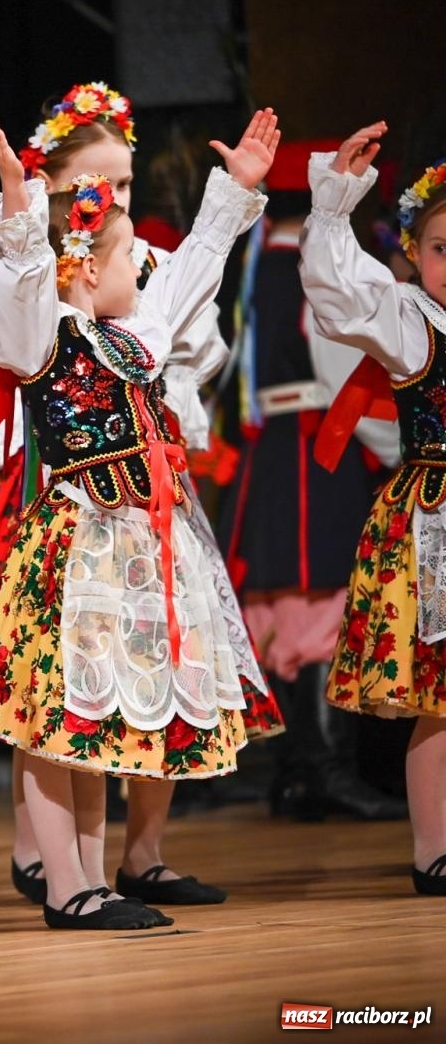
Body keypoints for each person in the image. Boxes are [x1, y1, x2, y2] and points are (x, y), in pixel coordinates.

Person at [0, 82, 279, 911]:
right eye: (132, 254)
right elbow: (21, 294)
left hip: (142, 537)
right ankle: (67, 883)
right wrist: (25, 218)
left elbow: (195, 275)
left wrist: (235, 191)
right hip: (73, 543)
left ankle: (98, 878)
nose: (149, 267)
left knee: (103, 717)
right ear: (90, 265)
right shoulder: (45, 332)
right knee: (59, 720)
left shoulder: (139, 329)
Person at [215, 138, 406, 822]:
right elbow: (344, 370)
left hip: (275, 451)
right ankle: (321, 766)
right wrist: (396, 444)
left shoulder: (257, 262)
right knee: (322, 600)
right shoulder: (310, 268)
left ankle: (300, 768)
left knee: (285, 610)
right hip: (315, 449)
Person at [299, 124, 446, 894]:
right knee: (441, 697)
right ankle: (434, 851)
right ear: (415, 255)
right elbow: (335, 292)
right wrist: (332, 210)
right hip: (435, 522)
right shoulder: (410, 320)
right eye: (440, 249)